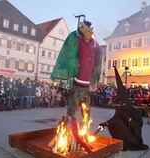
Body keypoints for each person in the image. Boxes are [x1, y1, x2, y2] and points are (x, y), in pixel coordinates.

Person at [51, 19, 102, 153]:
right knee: (72, 114)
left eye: (91, 30)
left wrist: (94, 81)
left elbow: (98, 60)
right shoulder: (77, 40)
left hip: (87, 88)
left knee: (86, 115)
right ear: (82, 31)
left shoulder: (94, 44)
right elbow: (68, 53)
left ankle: (84, 138)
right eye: (86, 30)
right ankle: (74, 139)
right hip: (77, 85)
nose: (89, 33)